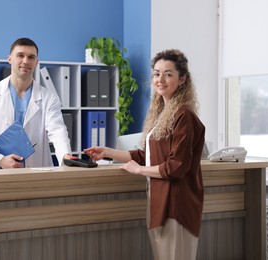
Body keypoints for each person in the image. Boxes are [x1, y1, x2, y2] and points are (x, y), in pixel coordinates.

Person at [84, 49, 205, 260]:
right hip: (159, 200)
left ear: (182, 79)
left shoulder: (183, 115)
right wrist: (107, 152)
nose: (161, 79)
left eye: (168, 74)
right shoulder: (162, 114)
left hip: (176, 205)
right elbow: (146, 155)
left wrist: (139, 170)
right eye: (157, 73)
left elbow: (176, 166)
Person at [0, 37, 75, 169]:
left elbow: (57, 130)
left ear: (36, 62)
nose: (25, 61)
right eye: (20, 56)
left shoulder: (49, 98)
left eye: (31, 57)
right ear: (10, 59)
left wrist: (65, 155)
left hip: (36, 170)